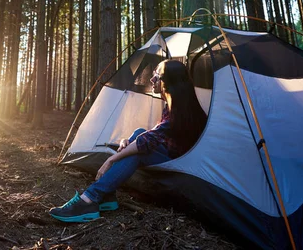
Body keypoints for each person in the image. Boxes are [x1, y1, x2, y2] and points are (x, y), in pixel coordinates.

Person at [50, 59, 207, 223]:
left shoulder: (181, 113)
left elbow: (146, 143)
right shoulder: (174, 103)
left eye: (157, 76)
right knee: (139, 134)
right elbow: (153, 135)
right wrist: (128, 141)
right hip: (171, 154)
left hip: (181, 166)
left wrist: (112, 158)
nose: (152, 80)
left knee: (137, 152)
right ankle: (108, 196)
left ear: (169, 82)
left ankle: (90, 199)